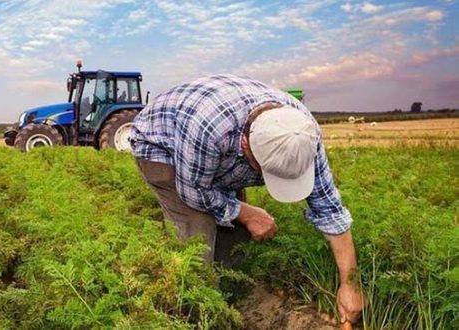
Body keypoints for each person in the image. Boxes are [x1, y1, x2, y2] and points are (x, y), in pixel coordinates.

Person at [129, 74, 365, 324]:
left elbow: (330, 209)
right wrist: (248, 213)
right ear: (246, 145)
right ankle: (193, 312)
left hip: (214, 150)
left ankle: (233, 299)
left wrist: (351, 283)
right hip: (162, 146)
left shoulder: (302, 134)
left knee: (234, 233)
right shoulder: (210, 129)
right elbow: (194, 192)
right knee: (197, 234)